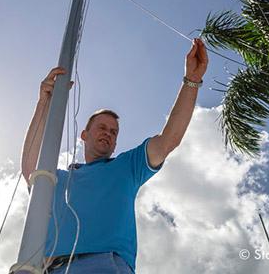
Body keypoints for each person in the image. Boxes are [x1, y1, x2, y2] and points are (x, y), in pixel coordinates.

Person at [21, 38, 209, 273]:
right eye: (101, 127)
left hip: (104, 266)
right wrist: (44, 103)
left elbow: (168, 140)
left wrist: (191, 81)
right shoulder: (56, 178)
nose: (108, 134)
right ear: (84, 134)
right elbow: (30, 167)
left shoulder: (127, 167)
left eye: (113, 132)